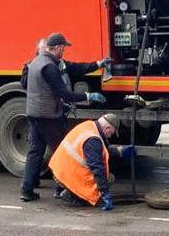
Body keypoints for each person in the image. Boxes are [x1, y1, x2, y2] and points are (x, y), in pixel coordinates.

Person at [20, 32, 111, 202]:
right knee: (64, 152)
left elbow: (75, 68)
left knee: (35, 152)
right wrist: (88, 96)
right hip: (48, 116)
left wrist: (98, 64)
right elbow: (64, 94)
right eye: (64, 48)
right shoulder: (49, 67)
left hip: (34, 114)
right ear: (58, 48)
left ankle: (26, 190)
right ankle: (63, 189)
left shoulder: (36, 62)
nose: (65, 51)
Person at [50, 113, 136, 211]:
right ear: (107, 128)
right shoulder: (93, 140)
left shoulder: (89, 126)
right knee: (107, 178)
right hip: (66, 174)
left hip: (60, 169)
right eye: (112, 133)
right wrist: (105, 193)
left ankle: (61, 189)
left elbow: (99, 151)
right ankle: (72, 196)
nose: (111, 136)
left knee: (94, 172)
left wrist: (119, 151)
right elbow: (97, 168)